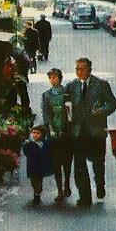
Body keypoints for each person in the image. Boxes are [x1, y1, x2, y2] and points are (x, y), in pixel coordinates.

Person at [67, 57, 116, 207]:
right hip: (78, 132)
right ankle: (85, 197)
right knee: (79, 165)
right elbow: (67, 105)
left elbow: (112, 103)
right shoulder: (71, 86)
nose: (79, 72)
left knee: (97, 162)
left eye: (82, 69)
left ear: (90, 70)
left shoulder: (101, 85)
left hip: (96, 131)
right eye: (77, 69)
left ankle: (100, 185)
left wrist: (101, 111)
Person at [40, 68, 73, 201]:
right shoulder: (46, 95)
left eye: (55, 77)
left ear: (60, 78)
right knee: (56, 163)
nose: (53, 80)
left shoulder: (66, 93)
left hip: (66, 131)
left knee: (67, 161)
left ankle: (67, 185)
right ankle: (60, 190)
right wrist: (50, 128)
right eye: (51, 78)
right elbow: (46, 113)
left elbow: (70, 111)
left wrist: (70, 125)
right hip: (53, 132)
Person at [21, 125, 54, 206]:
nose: (35, 135)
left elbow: (48, 153)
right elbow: (26, 152)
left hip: (41, 166)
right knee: (33, 181)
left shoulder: (45, 144)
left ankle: (37, 194)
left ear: (42, 134)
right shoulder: (29, 144)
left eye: (38, 133)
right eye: (33, 133)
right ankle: (36, 193)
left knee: (39, 181)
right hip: (32, 166)